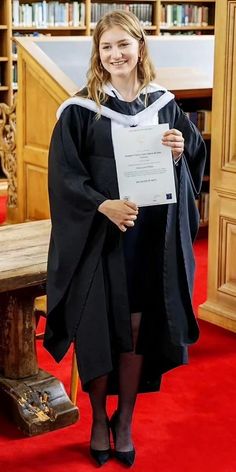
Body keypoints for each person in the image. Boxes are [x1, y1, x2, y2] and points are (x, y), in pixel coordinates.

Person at [44, 10, 206, 467]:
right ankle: (98, 416)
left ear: (139, 48)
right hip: (98, 239)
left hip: (147, 239)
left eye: (123, 45)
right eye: (106, 47)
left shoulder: (166, 104)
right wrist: (102, 204)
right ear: (98, 54)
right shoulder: (80, 109)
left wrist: (179, 151)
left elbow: (193, 159)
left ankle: (126, 417)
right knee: (98, 327)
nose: (115, 54)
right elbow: (63, 178)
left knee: (136, 328)